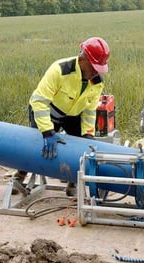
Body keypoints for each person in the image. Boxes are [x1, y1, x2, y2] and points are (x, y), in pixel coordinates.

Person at [13, 37, 110, 196]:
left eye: (99, 68)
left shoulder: (97, 82)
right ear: (81, 59)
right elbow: (39, 101)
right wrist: (46, 131)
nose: (95, 71)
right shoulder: (59, 70)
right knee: (35, 145)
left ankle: (73, 182)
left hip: (73, 114)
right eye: (93, 66)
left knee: (81, 146)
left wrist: (88, 133)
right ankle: (19, 177)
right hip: (48, 111)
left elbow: (90, 111)